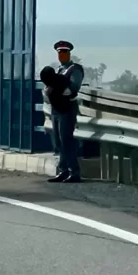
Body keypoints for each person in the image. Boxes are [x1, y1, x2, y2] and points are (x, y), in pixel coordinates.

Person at [44, 40, 84, 183]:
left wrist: (58, 90)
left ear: (69, 53)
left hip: (67, 108)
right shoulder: (60, 70)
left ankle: (74, 171)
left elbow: (72, 88)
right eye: (60, 52)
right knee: (58, 141)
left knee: (67, 140)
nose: (62, 55)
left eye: (64, 52)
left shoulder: (75, 69)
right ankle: (63, 170)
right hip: (56, 108)